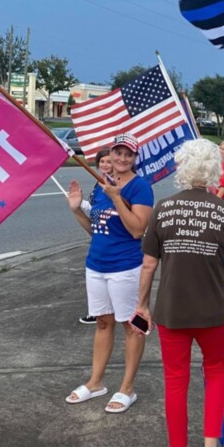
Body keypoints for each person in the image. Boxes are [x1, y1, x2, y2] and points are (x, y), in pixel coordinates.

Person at [134, 139, 224, 447]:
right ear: (215, 170)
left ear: (181, 168)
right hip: (213, 310)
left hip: (172, 310)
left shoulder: (163, 209)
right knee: (215, 376)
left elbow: (149, 264)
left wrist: (142, 305)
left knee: (175, 380)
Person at [65, 134, 154, 413]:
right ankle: (96, 382)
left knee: (132, 326)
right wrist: (77, 209)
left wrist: (116, 198)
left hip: (126, 267)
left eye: (128, 154)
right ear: (111, 154)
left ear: (135, 158)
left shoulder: (140, 188)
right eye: (118, 153)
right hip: (96, 265)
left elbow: (137, 229)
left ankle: (127, 388)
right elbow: (96, 230)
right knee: (103, 323)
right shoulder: (101, 184)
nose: (122, 159)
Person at [78, 148, 113, 325]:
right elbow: (95, 215)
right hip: (98, 242)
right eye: (102, 162)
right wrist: (79, 207)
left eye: (108, 161)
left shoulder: (115, 186)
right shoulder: (98, 185)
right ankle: (98, 312)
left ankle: (105, 312)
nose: (105, 165)